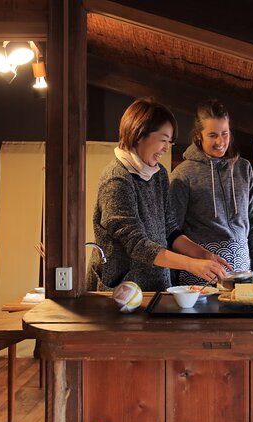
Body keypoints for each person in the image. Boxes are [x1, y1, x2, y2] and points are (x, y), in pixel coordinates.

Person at [87, 97, 231, 292]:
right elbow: (137, 244)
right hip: (122, 290)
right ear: (139, 135)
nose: (166, 148)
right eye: (163, 140)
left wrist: (202, 255)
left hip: (155, 284)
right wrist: (190, 264)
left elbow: (170, 230)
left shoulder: (158, 173)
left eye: (169, 142)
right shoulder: (117, 179)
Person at [169, 99, 253, 286]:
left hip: (244, 276)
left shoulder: (244, 168)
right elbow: (172, 230)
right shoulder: (183, 174)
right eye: (213, 135)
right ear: (199, 136)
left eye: (225, 133)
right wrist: (172, 281)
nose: (221, 142)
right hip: (200, 276)